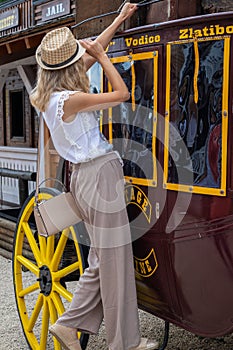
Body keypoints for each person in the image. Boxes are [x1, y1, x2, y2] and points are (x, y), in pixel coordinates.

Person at [30, 3, 159, 350]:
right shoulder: (71, 100)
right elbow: (121, 94)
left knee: (103, 259)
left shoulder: (48, 98)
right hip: (100, 176)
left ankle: (69, 324)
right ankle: (124, 342)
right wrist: (104, 58)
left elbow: (85, 57)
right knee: (115, 260)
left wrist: (118, 20)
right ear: (68, 66)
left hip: (82, 179)